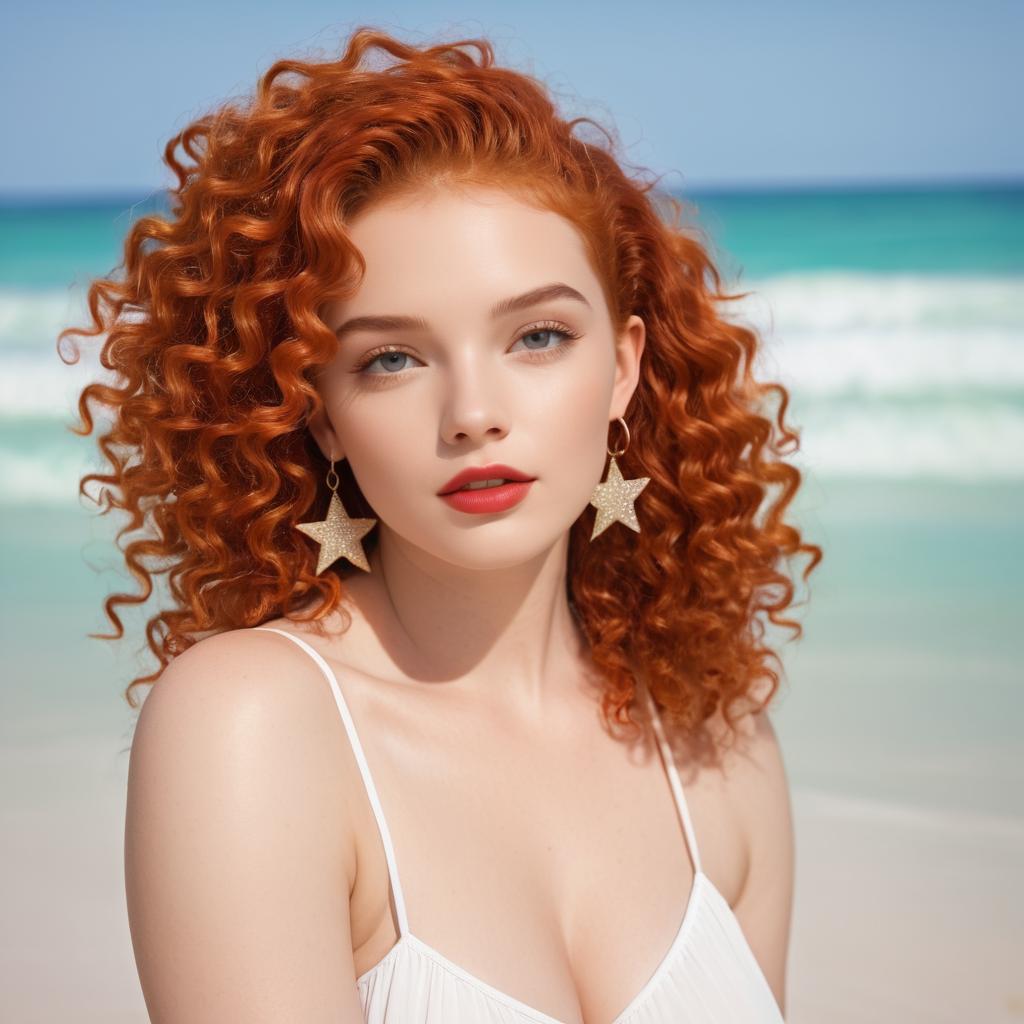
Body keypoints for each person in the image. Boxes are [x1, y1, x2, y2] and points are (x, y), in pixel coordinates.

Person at [62, 25, 822, 1023]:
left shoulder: (716, 745)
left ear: (624, 367)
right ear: (320, 409)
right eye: (392, 358)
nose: (473, 410)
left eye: (537, 336)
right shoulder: (254, 729)